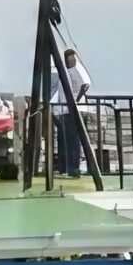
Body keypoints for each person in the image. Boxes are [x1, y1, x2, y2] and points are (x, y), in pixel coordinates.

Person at [51, 48, 93, 177]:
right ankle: (64, 167)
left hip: (74, 109)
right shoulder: (65, 71)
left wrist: (76, 100)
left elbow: (85, 85)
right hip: (63, 110)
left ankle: (73, 168)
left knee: (73, 140)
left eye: (72, 59)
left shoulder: (76, 70)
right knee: (64, 139)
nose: (71, 61)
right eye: (69, 59)